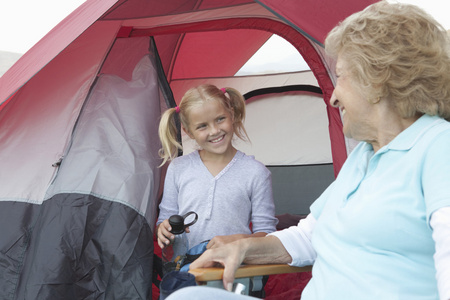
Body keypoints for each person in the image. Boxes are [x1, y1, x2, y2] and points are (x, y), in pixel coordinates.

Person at [166, 2, 450, 300]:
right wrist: (243, 246)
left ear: (377, 79)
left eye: (341, 77)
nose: (334, 97)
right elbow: (307, 235)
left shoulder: (437, 147)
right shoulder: (364, 156)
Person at [156, 84, 278, 254]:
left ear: (232, 115)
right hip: (186, 273)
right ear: (189, 131)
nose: (214, 131)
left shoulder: (256, 172)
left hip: (238, 272)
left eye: (220, 119)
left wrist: (236, 241)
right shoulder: (178, 168)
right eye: (202, 126)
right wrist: (163, 229)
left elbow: (267, 235)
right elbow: (164, 221)